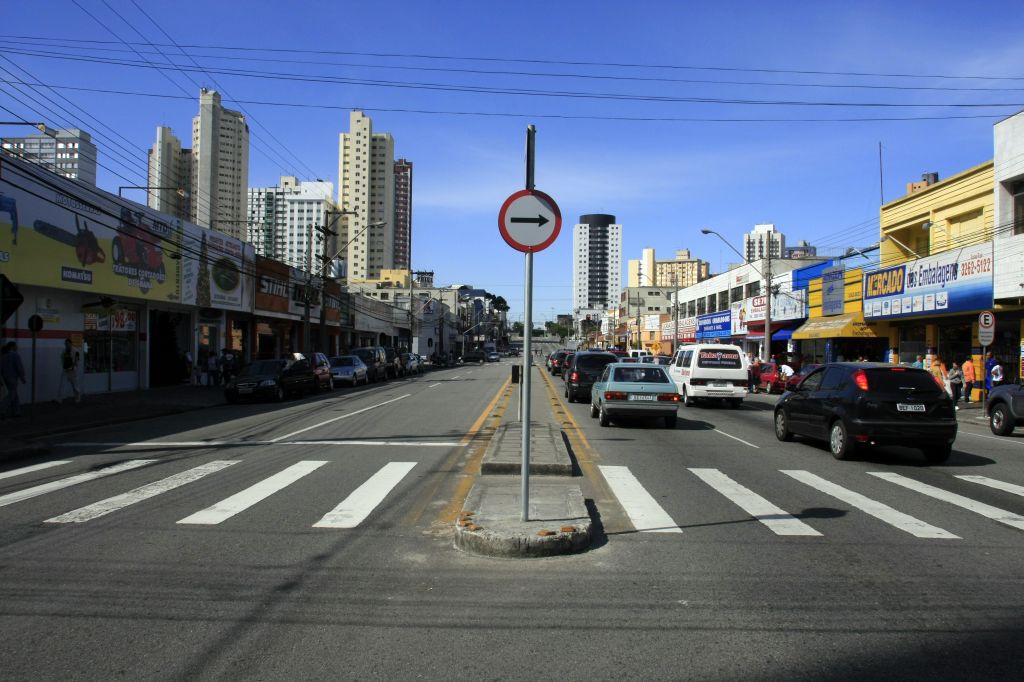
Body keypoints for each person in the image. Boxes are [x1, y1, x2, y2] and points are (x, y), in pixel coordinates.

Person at [1, 341, 27, 418]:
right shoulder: (15, 355)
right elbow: (19, 367)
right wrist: (22, 377)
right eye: (16, 346)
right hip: (13, 378)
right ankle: (2, 409)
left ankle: (17, 412)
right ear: (12, 347)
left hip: (6, 378)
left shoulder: (3, 355)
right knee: (11, 395)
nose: (17, 347)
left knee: (14, 394)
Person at [55, 338, 81, 404]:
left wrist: (74, 368)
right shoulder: (64, 351)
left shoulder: (76, 351)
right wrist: (64, 366)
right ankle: (59, 399)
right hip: (65, 371)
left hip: (73, 372)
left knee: (75, 387)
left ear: (70, 343)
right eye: (65, 344)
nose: (66, 345)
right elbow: (62, 359)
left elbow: (77, 361)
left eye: (67, 344)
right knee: (62, 385)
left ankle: (77, 398)